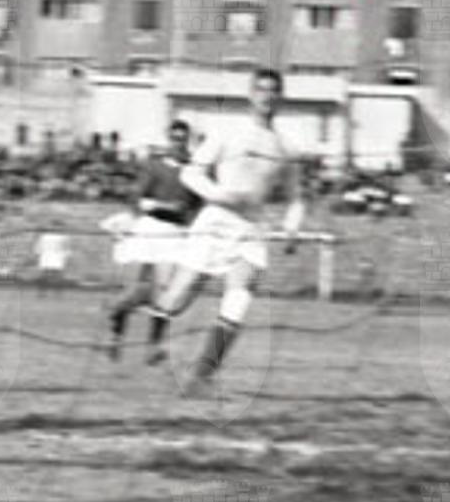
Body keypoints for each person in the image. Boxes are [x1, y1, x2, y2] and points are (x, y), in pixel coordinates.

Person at [145, 68, 304, 395]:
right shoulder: (228, 132)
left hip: (250, 229)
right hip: (215, 221)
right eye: (261, 89)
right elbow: (191, 174)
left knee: (238, 299)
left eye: (273, 90)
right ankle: (154, 340)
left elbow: (297, 198)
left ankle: (202, 375)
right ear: (251, 95)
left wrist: (292, 227)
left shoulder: (287, 149)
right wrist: (220, 195)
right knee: (177, 300)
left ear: (281, 97)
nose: (267, 96)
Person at [104, 117, 201, 359]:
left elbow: (197, 205)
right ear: (168, 139)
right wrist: (162, 205)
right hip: (150, 229)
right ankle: (116, 335)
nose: (178, 143)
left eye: (182, 139)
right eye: (174, 138)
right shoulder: (154, 166)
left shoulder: (194, 169)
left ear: (188, 141)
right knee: (136, 289)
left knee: (165, 292)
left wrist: (193, 224)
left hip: (175, 234)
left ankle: (154, 346)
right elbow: (137, 199)